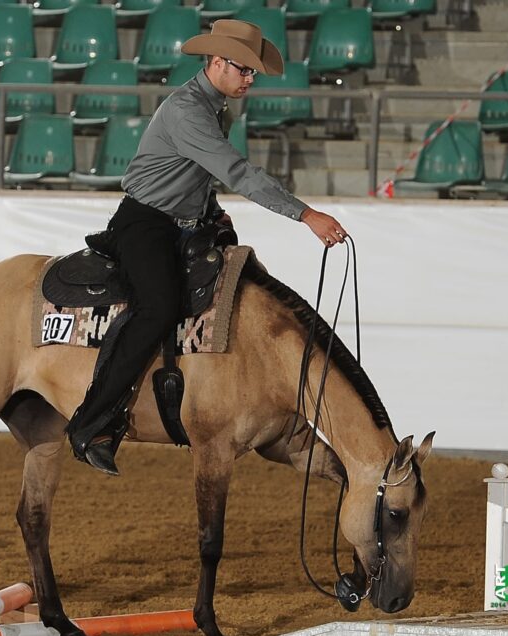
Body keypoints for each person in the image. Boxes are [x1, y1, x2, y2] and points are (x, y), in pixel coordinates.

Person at [66, 19, 349, 476]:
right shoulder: (188, 111)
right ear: (218, 62)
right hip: (146, 223)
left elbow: (195, 174)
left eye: (253, 72)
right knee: (158, 307)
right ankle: (91, 423)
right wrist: (305, 214)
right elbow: (237, 172)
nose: (250, 79)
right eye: (244, 69)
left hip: (185, 222)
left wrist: (211, 211)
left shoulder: (215, 109)